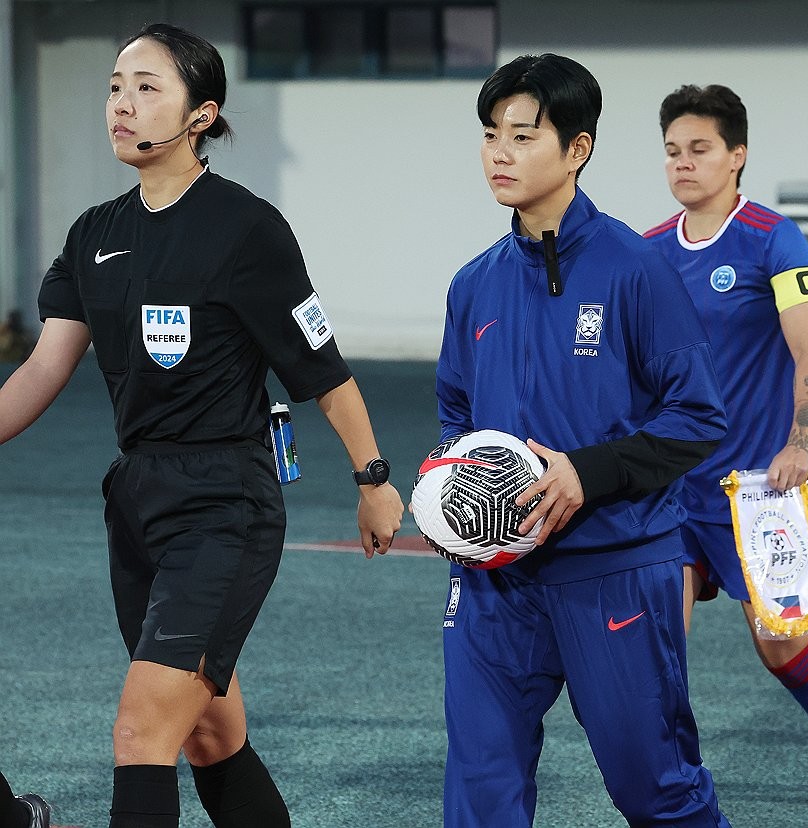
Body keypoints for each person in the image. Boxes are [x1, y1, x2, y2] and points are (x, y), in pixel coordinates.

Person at [0, 23, 404, 828]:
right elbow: (44, 367)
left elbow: (322, 368)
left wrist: (373, 479)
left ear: (200, 113)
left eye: (148, 87)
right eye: (116, 85)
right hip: (137, 499)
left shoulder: (246, 229)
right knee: (209, 735)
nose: (122, 103)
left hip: (226, 501)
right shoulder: (94, 234)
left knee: (141, 728)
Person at [436, 53, 731, 827]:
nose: (500, 152)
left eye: (523, 135)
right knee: (481, 790)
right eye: (490, 134)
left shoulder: (638, 270)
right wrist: (452, 494)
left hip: (616, 571)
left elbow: (698, 417)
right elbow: (455, 413)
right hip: (495, 586)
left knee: (656, 791)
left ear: (578, 149)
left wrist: (586, 474)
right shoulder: (473, 283)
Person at [643, 84, 808, 828]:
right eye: (673, 151)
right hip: (667, 494)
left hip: (756, 491)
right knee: (657, 653)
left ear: (737, 155)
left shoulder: (775, 240)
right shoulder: (647, 251)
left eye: (700, 148)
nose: (684, 163)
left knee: (781, 649)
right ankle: (673, 793)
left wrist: (799, 444)